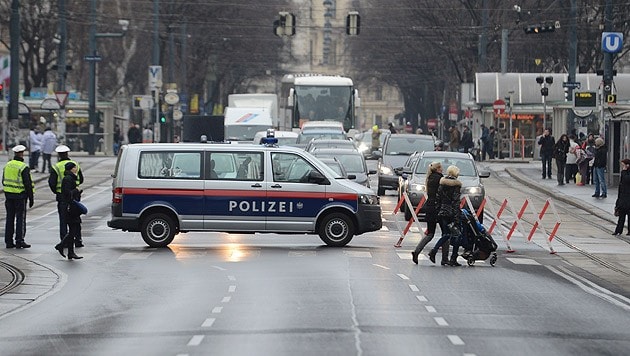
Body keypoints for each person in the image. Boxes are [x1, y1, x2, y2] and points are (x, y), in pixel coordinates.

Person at [411, 162, 450, 265]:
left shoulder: (430, 178)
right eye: (441, 167)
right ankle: (445, 258)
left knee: (430, 234)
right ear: (437, 169)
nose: (442, 169)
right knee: (446, 233)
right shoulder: (440, 179)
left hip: (430, 208)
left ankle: (416, 252)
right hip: (439, 208)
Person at [49, 145, 85, 247]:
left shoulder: (56, 167)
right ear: (67, 153)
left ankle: (64, 241)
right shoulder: (75, 165)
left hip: (62, 197)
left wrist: (57, 191)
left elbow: (51, 182)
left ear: (59, 155)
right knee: (76, 219)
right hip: (75, 196)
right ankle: (78, 240)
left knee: (63, 220)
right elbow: (81, 179)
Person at [427, 165, 463, 266]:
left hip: (442, 212)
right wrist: (456, 217)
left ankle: (434, 251)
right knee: (457, 235)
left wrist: (439, 210)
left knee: (446, 234)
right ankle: (453, 258)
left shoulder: (442, 183)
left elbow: (438, 198)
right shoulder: (456, 185)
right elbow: (456, 202)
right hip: (451, 213)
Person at [3, 145, 34, 249]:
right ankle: (19, 240)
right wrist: (31, 197)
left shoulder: (7, 165)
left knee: (9, 218)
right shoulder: (23, 167)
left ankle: (8, 241)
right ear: (22, 153)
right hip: (20, 196)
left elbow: (3, 180)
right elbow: (27, 184)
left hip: (8, 196)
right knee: (20, 218)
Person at [54, 162, 83, 260]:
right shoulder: (68, 179)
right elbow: (67, 193)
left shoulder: (70, 178)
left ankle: (70, 252)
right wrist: (76, 191)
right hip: (70, 207)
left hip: (72, 206)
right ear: (71, 169)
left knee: (73, 229)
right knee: (73, 229)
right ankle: (61, 246)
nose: (76, 169)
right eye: (75, 167)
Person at [613, 159, 630, 236]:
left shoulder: (625, 173)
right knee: (621, 216)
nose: (622, 167)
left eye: (623, 165)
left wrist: (624, 171)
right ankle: (618, 230)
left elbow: (626, 180)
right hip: (623, 198)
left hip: (628, 198)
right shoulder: (624, 173)